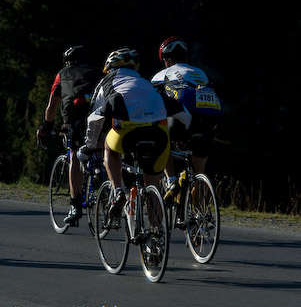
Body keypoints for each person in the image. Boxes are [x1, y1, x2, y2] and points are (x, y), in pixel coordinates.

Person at [77, 47, 170, 221]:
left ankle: (118, 190)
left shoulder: (107, 81)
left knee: (109, 148)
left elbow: (93, 118)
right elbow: (181, 113)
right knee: (152, 186)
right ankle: (156, 236)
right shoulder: (145, 83)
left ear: (110, 66)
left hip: (127, 133)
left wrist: (89, 145)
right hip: (159, 133)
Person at [151, 36, 222, 199]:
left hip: (182, 118)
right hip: (211, 119)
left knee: (161, 138)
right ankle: (198, 215)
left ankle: (171, 180)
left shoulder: (162, 74)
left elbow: (151, 100)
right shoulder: (201, 73)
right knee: (198, 171)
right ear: (186, 57)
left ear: (166, 60)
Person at [37, 45, 102, 223]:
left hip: (76, 118)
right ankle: (101, 177)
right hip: (102, 116)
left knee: (74, 155)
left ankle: (75, 206)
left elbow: (52, 105)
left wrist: (45, 127)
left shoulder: (63, 73)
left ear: (67, 62)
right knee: (101, 148)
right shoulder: (98, 72)